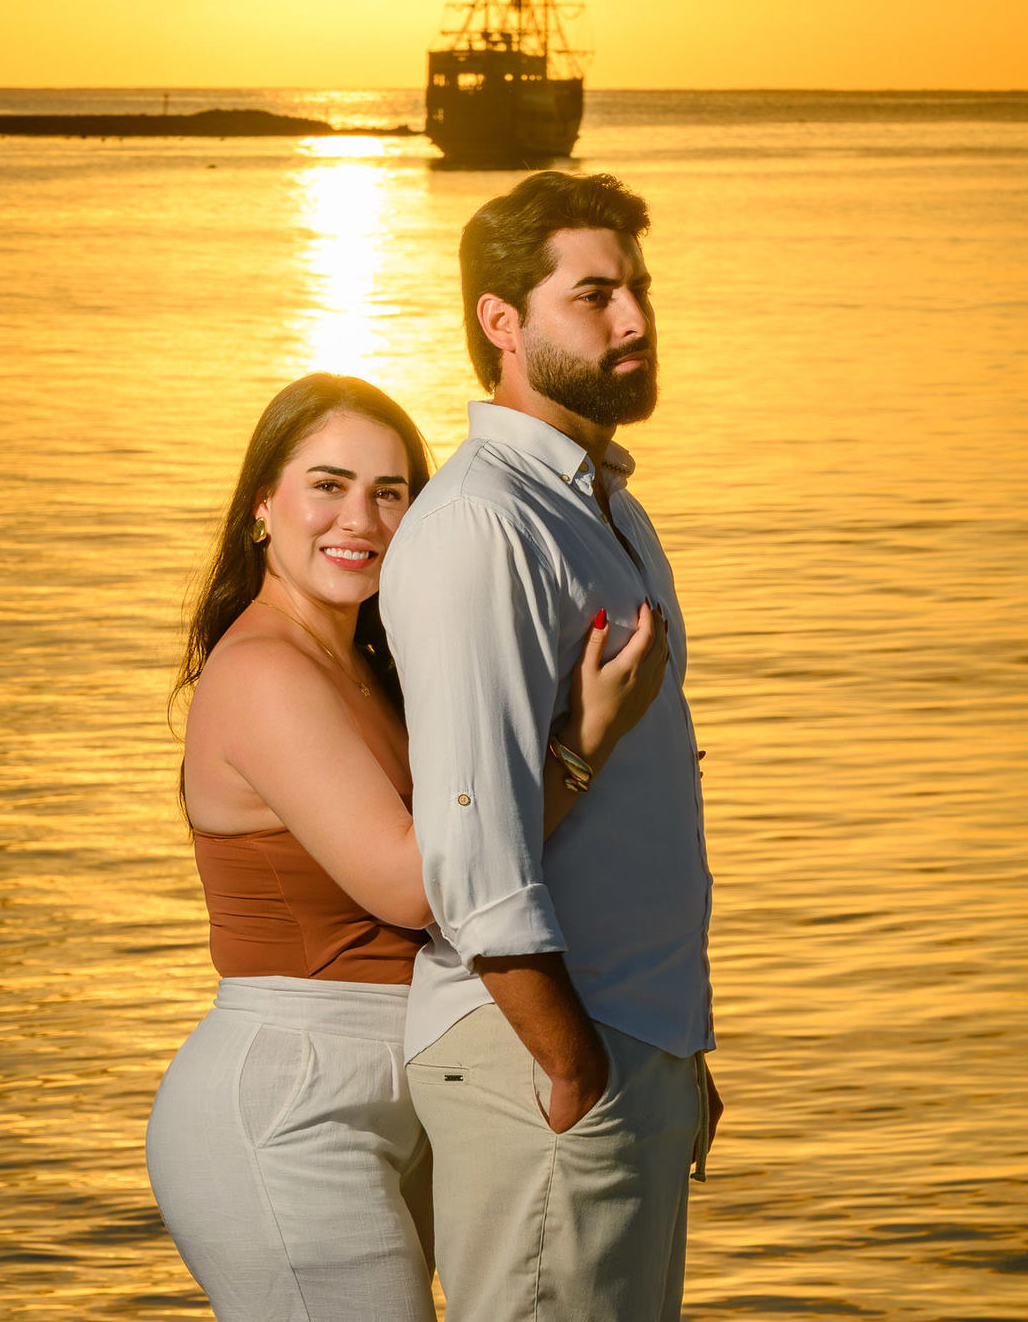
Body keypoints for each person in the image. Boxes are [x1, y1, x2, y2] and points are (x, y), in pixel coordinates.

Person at [145, 371, 666, 1322]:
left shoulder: (366, 668)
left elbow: (485, 840)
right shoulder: (263, 668)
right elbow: (413, 884)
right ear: (263, 504)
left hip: (406, 1084)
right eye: (329, 485)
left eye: (393, 493)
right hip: (293, 1099)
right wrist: (580, 750)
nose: (363, 518)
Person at [380, 172, 721, 1322]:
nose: (634, 320)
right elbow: (469, 849)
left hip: (627, 1041)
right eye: (595, 295)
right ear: (502, 323)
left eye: (640, 290)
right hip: (549, 1060)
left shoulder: (605, 509)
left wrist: (672, 1046)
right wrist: (577, 1072)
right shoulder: (484, 525)